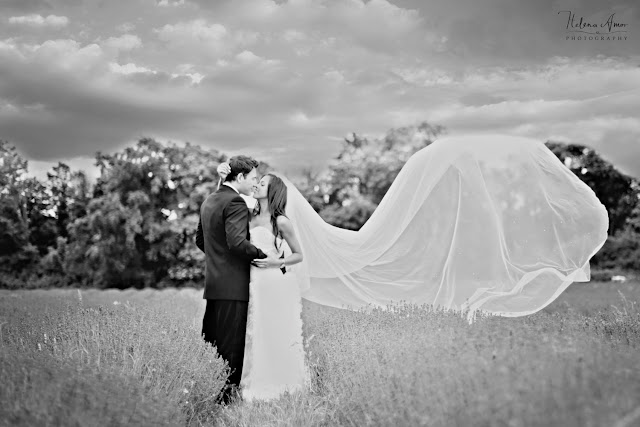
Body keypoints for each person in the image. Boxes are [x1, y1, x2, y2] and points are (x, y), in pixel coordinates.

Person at [217, 163, 309, 401]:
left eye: (263, 183)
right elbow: (224, 203)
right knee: (253, 332)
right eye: (257, 182)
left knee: (274, 330)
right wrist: (221, 179)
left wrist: (274, 263)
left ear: (274, 191)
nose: (256, 185)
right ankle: (251, 379)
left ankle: (281, 382)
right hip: (250, 280)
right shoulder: (248, 214)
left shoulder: (282, 222)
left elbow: (298, 255)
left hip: (275, 282)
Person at [195, 155, 280, 404]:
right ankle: (227, 400)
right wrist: (263, 254)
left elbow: (202, 241)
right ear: (240, 177)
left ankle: (208, 393)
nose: (255, 183)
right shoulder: (235, 203)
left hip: (214, 285)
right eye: (253, 178)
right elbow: (237, 243)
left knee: (212, 344)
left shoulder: (210, 200)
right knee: (231, 347)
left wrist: (220, 259)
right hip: (233, 286)